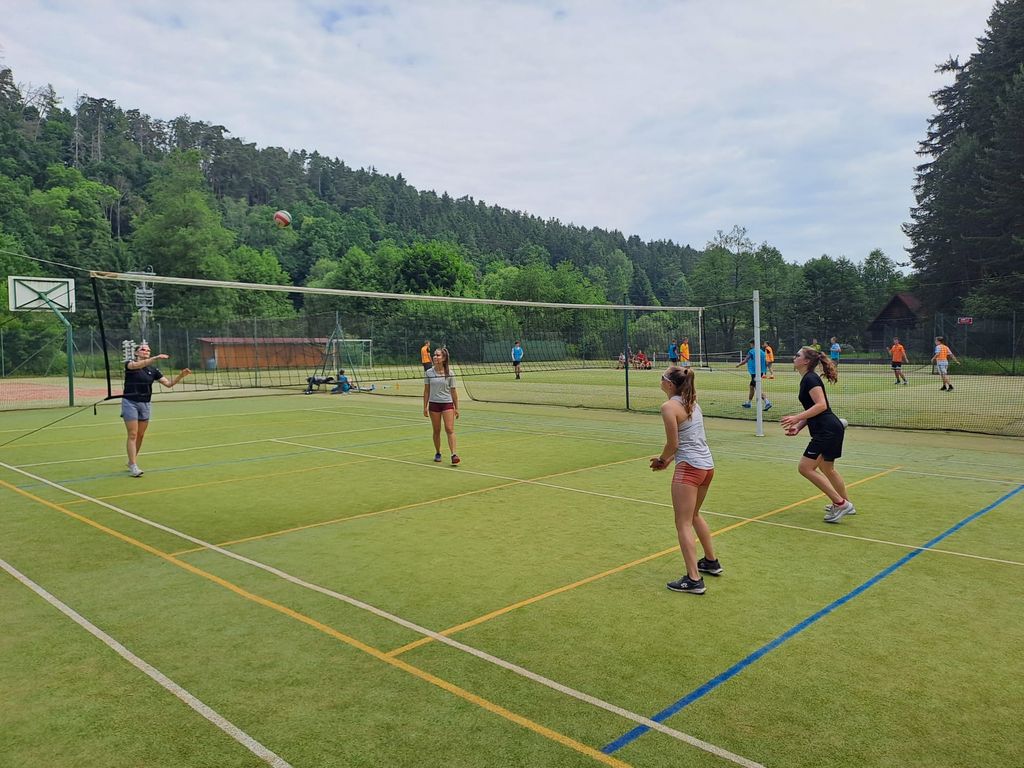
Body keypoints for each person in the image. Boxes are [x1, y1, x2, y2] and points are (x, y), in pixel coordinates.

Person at [650, 366, 721, 595]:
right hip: (706, 466)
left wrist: (662, 459)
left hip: (690, 468)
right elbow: (688, 441)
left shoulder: (669, 407)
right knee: (694, 515)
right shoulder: (692, 404)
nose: (660, 381)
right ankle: (711, 561)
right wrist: (668, 460)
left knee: (683, 523)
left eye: (662, 378)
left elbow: (673, 444)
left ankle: (694, 579)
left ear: (669, 384)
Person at [780, 347, 855, 523]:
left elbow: (821, 405)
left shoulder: (810, 379)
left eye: (797, 355)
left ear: (806, 361)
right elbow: (813, 409)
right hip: (830, 428)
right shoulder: (807, 379)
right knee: (827, 469)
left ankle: (841, 504)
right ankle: (847, 504)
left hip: (827, 430)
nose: (794, 357)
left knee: (805, 468)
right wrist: (799, 426)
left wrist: (796, 417)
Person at [121, 341, 191, 477]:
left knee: (140, 435)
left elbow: (168, 384)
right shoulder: (130, 364)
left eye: (148, 350)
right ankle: (134, 465)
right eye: (143, 349)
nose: (146, 352)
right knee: (133, 434)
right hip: (130, 402)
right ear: (136, 352)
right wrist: (156, 358)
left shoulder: (153, 370)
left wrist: (180, 376)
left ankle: (131, 461)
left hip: (145, 403)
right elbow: (137, 365)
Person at [423, 347, 460, 465]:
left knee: (449, 429)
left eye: (438, 355)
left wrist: (456, 407)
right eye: (434, 355)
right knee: (436, 430)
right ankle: (438, 452)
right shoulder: (429, 373)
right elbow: (426, 391)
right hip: (434, 404)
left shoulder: (450, 373)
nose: (435, 357)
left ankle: (454, 454)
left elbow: (453, 391)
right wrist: (425, 407)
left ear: (444, 358)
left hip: (447, 403)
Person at [735, 339, 771, 410]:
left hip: (755, 372)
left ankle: (767, 402)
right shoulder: (762, 352)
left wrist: (739, 364)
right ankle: (749, 403)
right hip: (760, 372)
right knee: (751, 387)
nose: (750, 345)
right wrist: (764, 371)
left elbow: (746, 360)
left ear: (753, 344)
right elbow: (766, 362)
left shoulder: (751, 351)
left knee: (757, 388)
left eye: (751, 344)